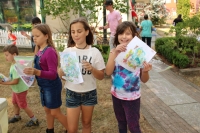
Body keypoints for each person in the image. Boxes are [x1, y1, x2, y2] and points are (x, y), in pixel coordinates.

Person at [58, 18, 105, 133]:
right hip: (72, 93)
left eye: (79, 31)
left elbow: (101, 76)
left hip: (89, 93)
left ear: (87, 32)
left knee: (86, 123)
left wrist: (92, 69)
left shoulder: (94, 52)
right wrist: (61, 73)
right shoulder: (68, 51)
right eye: (73, 32)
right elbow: (64, 75)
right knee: (72, 128)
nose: (76, 35)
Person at [106, 21, 152, 133]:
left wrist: (145, 71)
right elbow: (108, 72)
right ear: (117, 36)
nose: (124, 36)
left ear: (134, 36)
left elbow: (144, 80)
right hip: (116, 95)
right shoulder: (114, 52)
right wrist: (115, 53)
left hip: (132, 98)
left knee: (133, 127)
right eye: (121, 33)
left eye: (128, 33)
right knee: (121, 124)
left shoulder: (139, 54)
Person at [23, 24, 68, 133]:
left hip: (51, 86)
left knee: (55, 112)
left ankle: (71, 129)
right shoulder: (39, 50)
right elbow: (39, 67)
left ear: (46, 36)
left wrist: (36, 72)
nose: (34, 38)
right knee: (47, 110)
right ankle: (50, 130)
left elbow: (53, 74)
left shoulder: (49, 52)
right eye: (33, 36)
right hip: (43, 85)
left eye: (37, 36)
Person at [0, 45, 39, 127]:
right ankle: (17, 116)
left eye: (7, 55)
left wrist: (3, 83)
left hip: (20, 90)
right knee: (14, 102)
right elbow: (12, 77)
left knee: (23, 105)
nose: (5, 57)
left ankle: (34, 120)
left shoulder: (15, 67)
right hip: (16, 90)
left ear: (14, 55)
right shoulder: (13, 64)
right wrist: (6, 79)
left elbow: (15, 81)